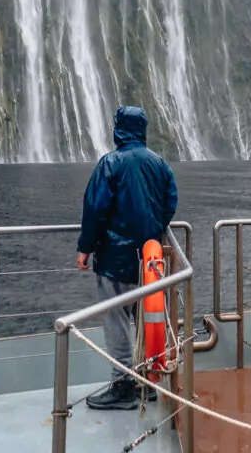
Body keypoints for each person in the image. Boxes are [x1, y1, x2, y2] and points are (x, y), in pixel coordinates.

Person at [76, 105, 178, 411]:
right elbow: (170, 201)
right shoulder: (159, 164)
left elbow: (95, 209)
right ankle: (147, 382)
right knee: (145, 318)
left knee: (117, 319)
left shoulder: (111, 163)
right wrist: (154, 230)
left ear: (118, 129)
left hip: (115, 258)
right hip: (149, 258)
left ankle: (123, 385)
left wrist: (85, 247)